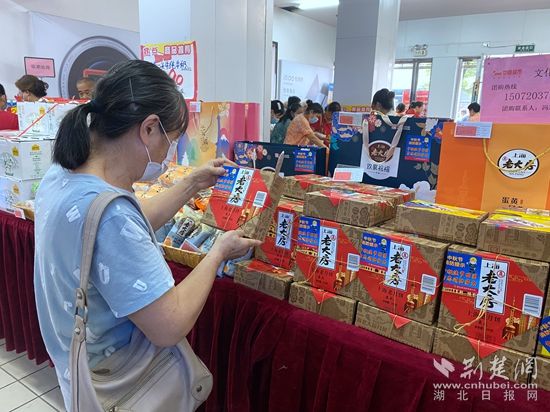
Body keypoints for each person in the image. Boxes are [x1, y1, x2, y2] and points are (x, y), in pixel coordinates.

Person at [34, 60, 260, 410]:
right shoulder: (112, 215)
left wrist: (192, 183)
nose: (168, 155)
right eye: (171, 141)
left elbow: (126, 227)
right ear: (149, 128)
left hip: (81, 370)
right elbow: (170, 324)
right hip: (124, 383)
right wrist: (217, 252)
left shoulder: (63, 175)